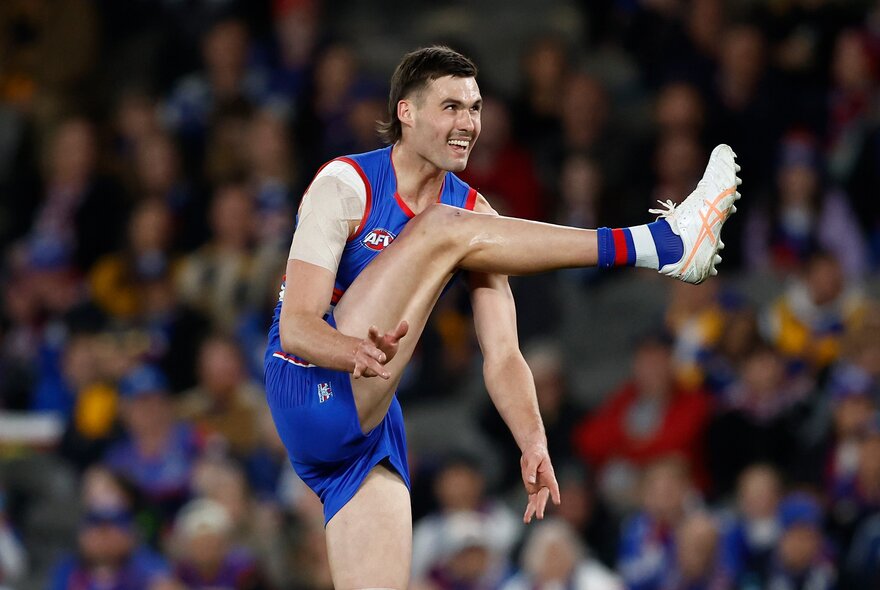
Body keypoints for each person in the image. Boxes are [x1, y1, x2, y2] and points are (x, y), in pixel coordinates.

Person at [264, 45, 741, 588]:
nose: (468, 123)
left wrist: (533, 440)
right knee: (444, 227)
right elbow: (299, 327)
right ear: (406, 112)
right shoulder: (346, 186)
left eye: (475, 108)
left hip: (368, 432)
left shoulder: (472, 220)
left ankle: (666, 246)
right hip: (310, 387)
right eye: (451, 107)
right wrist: (353, 351)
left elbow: (504, 354)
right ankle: (662, 243)